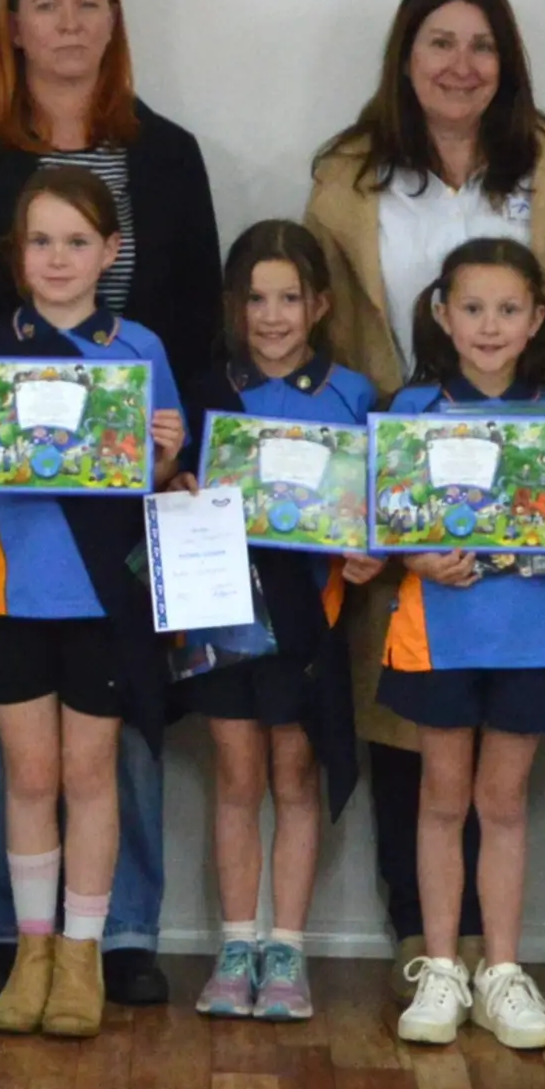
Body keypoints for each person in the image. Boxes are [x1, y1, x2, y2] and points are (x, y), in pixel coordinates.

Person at [0, 0, 221, 1012]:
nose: (71, 23)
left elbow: (194, 330)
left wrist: (184, 465)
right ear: (14, 22)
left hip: (125, 515)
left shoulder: (166, 154)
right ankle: (15, 935)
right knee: (11, 743)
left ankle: (112, 935)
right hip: (9, 520)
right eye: (47, 3)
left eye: (92, 2)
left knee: (118, 729)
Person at [302, 0, 545, 979]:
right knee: (405, 698)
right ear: (406, 54)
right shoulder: (348, 177)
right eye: (439, 41)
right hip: (398, 474)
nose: (461, 62)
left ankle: (496, 948)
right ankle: (422, 936)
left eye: (482, 44)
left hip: (529, 476)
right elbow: (323, 337)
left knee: (505, 712)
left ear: (506, 61)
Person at [0, 168, 188, 1041]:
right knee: (28, 778)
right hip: (10, 593)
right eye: (42, 241)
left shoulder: (139, 348)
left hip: (105, 600)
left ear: (111, 251)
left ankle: (84, 953)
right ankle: (31, 948)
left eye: (78, 241)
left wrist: (163, 453)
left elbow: (154, 483)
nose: (59, 257)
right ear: (18, 252)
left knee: (90, 775)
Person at [378, 239, 545, 1055]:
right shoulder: (411, 411)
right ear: (442, 313)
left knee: (502, 804)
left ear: (537, 318)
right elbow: (385, 527)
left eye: (509, 309)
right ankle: (441, 964)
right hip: (437, 635)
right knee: (440, 798)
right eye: (472, 307)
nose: (490, 325)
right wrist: (415, 554)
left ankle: (501, 969)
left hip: (532, 635)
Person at [182, 223, 371, 1026]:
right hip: (223, 609)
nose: (271, 315)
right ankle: (236, 944)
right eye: (256, 298)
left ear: (319, 304)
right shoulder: (204, 389)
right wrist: (179, 485)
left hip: (308, 615)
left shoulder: (353, 394)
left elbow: (373, 507)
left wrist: (369, 551)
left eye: (289, 297)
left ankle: (286, 945)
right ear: (235, 304)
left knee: (296, 774)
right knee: (235, 773)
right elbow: (175, 487)